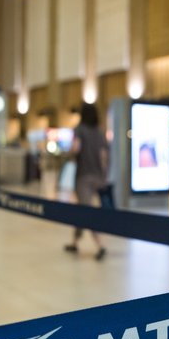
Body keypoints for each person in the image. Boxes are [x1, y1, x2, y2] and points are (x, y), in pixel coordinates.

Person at [64, 103, 109, 260]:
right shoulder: (99, 132)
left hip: (83, 177)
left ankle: (100, 245)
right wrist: (104, 176)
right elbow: (104, 156)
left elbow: (75, 148)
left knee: (86, 211)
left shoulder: (79, 129)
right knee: (81, 210)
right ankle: (75, 243)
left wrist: (68, 154)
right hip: (98, 177)